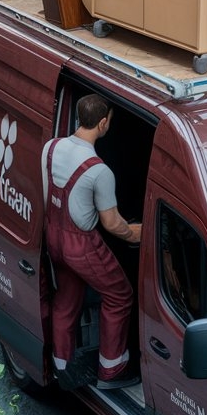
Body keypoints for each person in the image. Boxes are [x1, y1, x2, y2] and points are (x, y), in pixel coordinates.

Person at [42, 94, 141, 389]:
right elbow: (113, 225)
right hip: (81, 245)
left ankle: (62, 364)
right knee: (120, 296)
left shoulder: (51, 147)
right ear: (103, 123)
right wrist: (140, 232)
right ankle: (111, 369)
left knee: (66, 298)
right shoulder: (99, 171)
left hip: (53, 237)